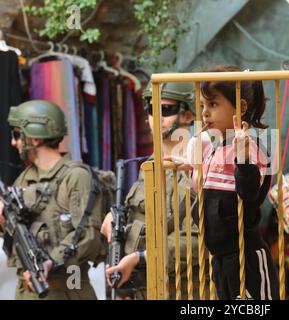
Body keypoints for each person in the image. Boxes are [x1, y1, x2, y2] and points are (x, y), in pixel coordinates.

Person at [183, 64, 280, 300]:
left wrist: (244, 158)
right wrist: (186, 164)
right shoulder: (215, 148)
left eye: (213, 104)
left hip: (246, 259)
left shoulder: (253, 149)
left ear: (241, 108)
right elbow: (206, 189)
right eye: (203, 105)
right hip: (221, 259)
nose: (205, 113)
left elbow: (249, 194)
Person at [101, 81, 201, 300]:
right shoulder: (149, 165)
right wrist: (113, 219)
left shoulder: (197, 165)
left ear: (188, 115)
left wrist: (142, 257)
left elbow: (197, 238)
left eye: (165, 109)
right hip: (141, 288)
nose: (156, 117)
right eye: (150, 109)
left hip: (181, 291)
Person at [0, 100, 104, 300]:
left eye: (17, 135)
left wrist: (50, 262)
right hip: (26, 292)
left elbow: (87, 236)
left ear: (35, 139)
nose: (14, 142)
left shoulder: (76, 177)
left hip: (67, 291)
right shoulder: (25, 178)